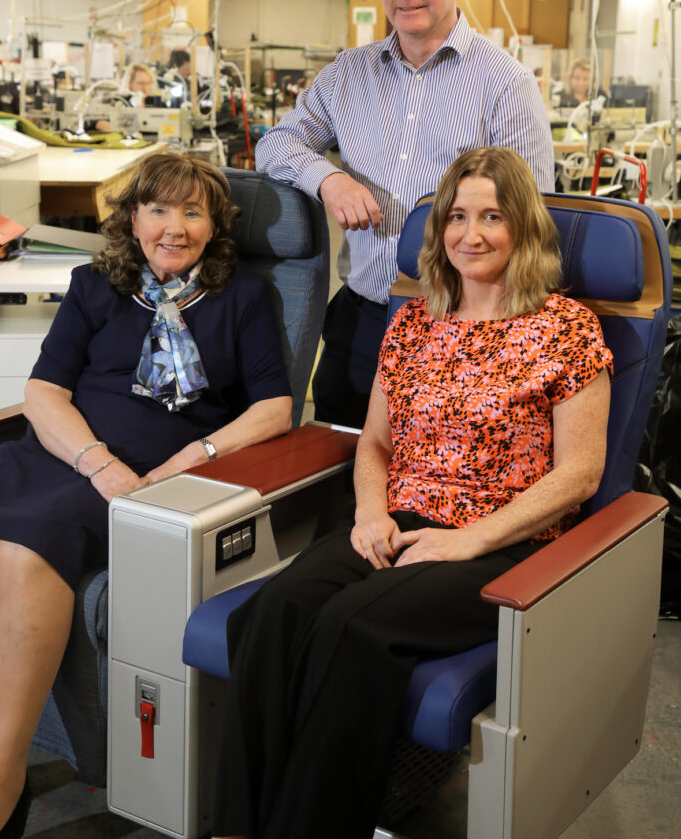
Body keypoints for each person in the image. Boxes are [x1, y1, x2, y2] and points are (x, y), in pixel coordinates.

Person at [210, 145, 612, 839]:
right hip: (398, 517)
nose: (471, 233)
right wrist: (369, 513)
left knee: (350, 628)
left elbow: (580, 474)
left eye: (492, 216)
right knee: (274, 611)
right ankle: (238, 826)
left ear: (524, 227)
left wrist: (470, 540)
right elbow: (374, 444)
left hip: (506, 540)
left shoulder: (565, 329)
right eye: (457, 216)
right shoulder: (414, 323)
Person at [0, 150, 292, 838]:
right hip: (70, 455)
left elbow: (275, 408)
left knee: (22, 549)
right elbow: (44, 392)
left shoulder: (242, 298)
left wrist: (197, 452)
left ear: (216, 223)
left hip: (148, 478)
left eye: (194, 210)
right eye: (158, 208)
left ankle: (4, 773)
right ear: (132, 218)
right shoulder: (94, 285)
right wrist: (93, 460)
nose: (173, 226)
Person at [256, 0, 555, 429]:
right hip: (365, 312)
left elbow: (530, 215)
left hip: (462, 323)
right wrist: (328, 178)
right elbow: (277, 144)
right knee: (339, 458)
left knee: (434, 478)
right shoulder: (349, 74)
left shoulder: (505, 84)